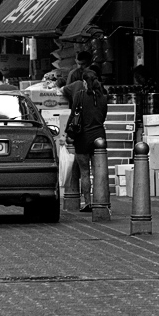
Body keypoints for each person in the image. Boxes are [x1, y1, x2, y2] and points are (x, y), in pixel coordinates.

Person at [62, 67, 108, 212]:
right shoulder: (103, 97)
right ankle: (100, 201)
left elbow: (73, 116)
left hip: (83, 137)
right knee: (98, 171)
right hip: (99, 136)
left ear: (84, 82)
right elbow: (103, 116)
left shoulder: (80, 95)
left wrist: (67, 133)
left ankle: (87, 202)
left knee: (85, 172)